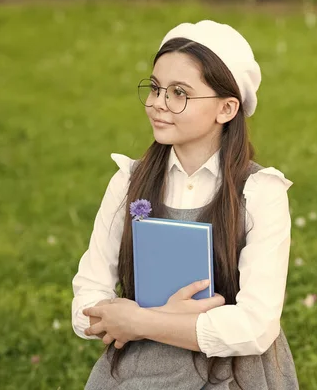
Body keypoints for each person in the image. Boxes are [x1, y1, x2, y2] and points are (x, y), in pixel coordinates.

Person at [71, 19, 298, 389]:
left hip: (233, 375)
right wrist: (117, 317)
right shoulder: (129, 181)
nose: (156, 104)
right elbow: (87, 298)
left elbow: (255, 326)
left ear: (226, 109)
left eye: (179, 93)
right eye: (156, 88)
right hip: (141, 373)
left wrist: (142, 322)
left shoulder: (259, 192)